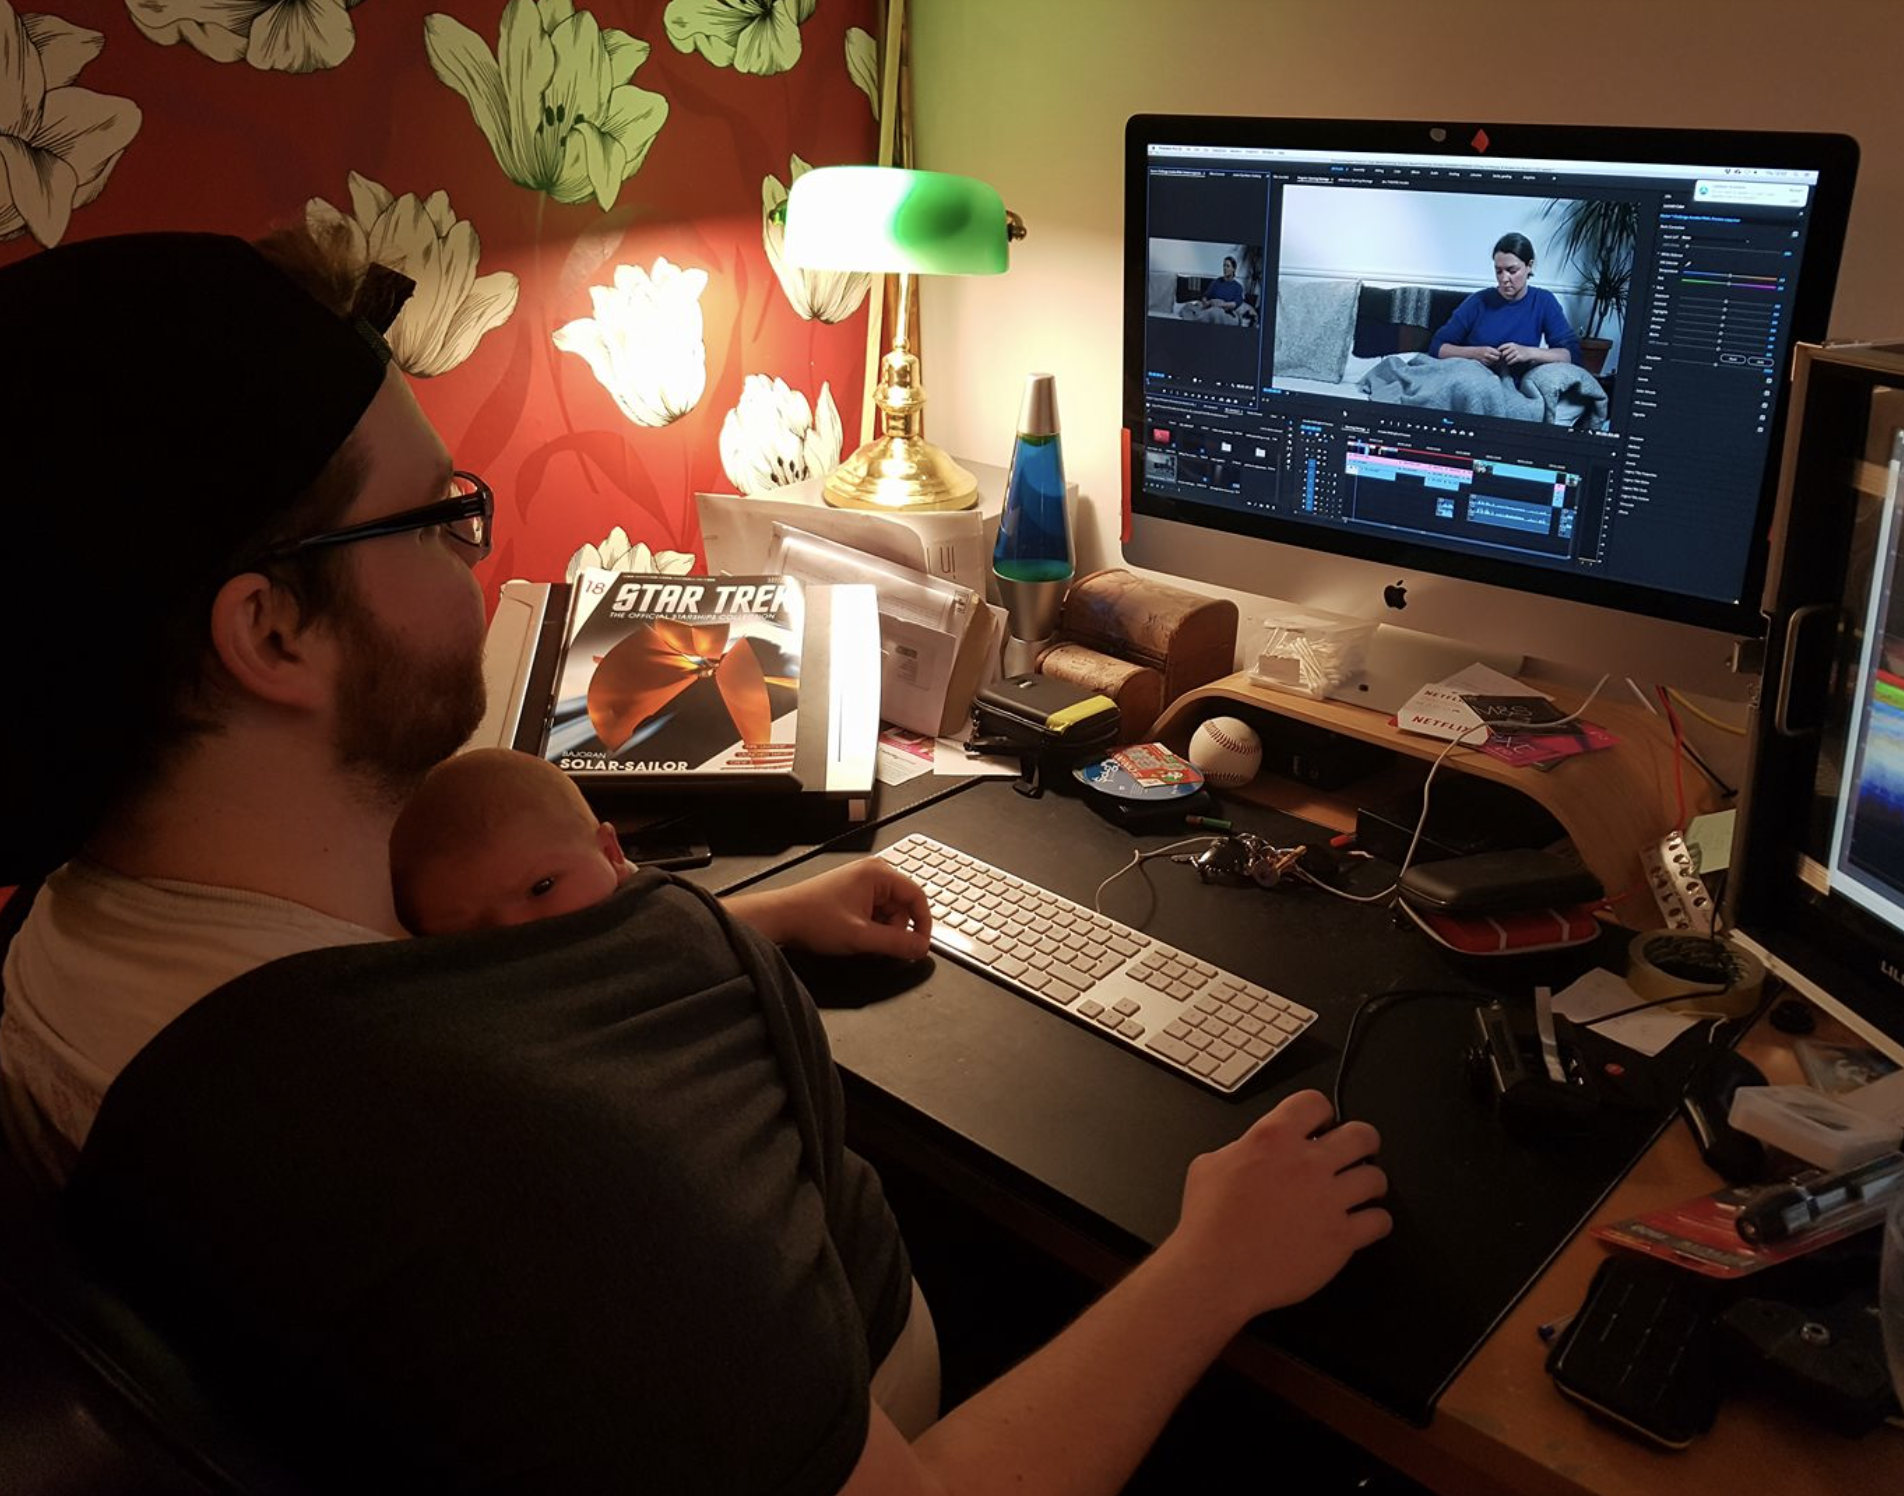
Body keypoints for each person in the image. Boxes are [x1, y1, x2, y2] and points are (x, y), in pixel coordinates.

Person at [0, 226, 1389, 1495]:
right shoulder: (482, 1162)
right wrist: (1216, 1265)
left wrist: (732, 921)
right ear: (271, 636)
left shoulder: (74, 939)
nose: (474, 566)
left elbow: (425, 1010)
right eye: (436, 517)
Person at [1429, 232, 1583, 372]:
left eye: (1512, 271)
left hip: (1511, 382)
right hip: (1471, 373)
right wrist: (1474, 353)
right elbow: (1437, 347)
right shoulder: (1478, 301)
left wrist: (1529, 352)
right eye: (1498, 271)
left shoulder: (1543, 301)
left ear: (1529, 266)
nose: (1504, 279)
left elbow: (1571, 354)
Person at [1180, 254, 1250, 323]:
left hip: (1225, 312)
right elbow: (1205, 296)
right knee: (1188, 307)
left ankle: (1198, 319)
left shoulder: (1237, 287)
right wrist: (1206, 302)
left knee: (1214, 312)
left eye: (1228, 266)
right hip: (1210, 307)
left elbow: (1235, 303)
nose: (1225, 268)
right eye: (1224, 265)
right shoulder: (1216, 282)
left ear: (1233, 269)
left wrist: (1220, 304)